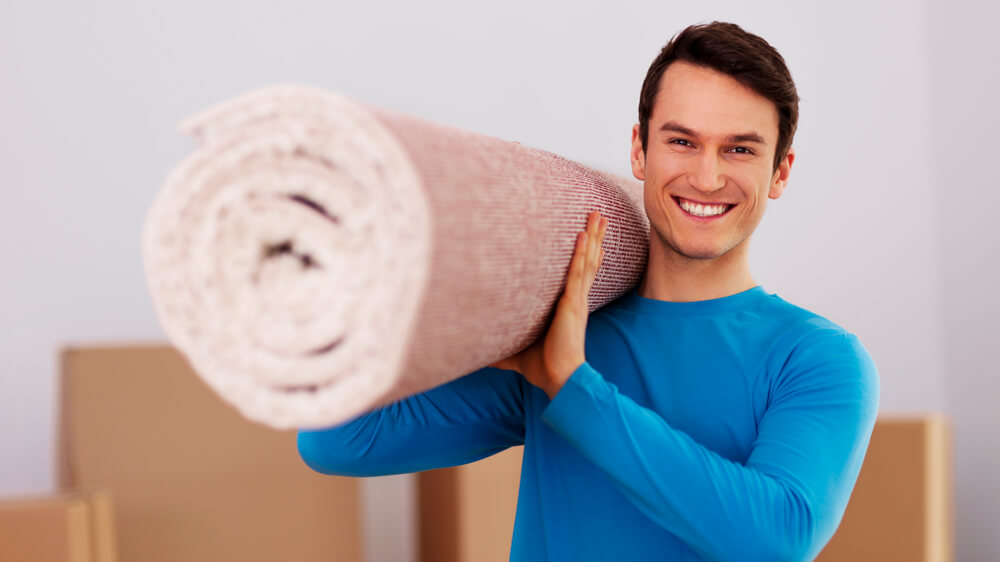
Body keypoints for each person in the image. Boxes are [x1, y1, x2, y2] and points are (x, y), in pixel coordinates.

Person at [297, 21, 879, 562]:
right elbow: (336, 440)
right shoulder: (562, 333)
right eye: (682, 142)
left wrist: (574, 388)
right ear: (639, 150)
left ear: (780, 171)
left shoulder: (818, 359)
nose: (707, 177)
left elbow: (776, 539)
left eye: (740, 149)